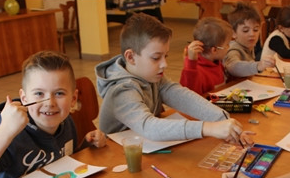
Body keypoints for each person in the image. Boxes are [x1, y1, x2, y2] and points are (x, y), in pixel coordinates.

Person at [95, 12, 249, 144]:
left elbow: (183, 96)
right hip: (115, 155)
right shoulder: (121, 90)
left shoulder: (151, 75)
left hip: (141, 146)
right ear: (131, 57)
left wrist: (222, 120)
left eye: (165, 56)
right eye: (156, 58)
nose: (164, 64)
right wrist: (208, 128)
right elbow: (149, 127)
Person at [0, 50, 107, 178]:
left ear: (73, 99)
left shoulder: (66, 123)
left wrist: (87, 144)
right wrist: (5, 131)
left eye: (59, 93)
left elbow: (64, 160)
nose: (49, 102)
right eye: (39, 94)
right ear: (24, 98)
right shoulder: (13, 136)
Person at [179, 17, 232, 96]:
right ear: (214, 50)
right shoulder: (195, 71)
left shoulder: (216, 61)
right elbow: (188, 97)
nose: (229, 47)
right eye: (227, 44)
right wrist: (190, 64)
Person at [223, 3, 275, 79]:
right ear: (233, 33)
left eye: (256, 29)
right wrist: (259, 66)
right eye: (245, 30)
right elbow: (233, 67)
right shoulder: (233, 49)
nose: (252, 34)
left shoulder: (248, 46)